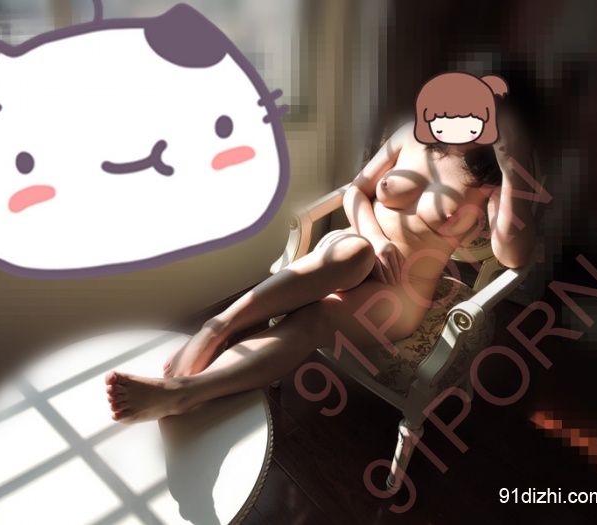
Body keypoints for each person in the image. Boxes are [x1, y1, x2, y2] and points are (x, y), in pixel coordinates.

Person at [105, 93, 535, 424]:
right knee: (355, 251)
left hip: (401, 293)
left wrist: (512, 169)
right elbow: (356, 191)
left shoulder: (493, 185)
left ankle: (183, 394)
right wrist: (376, 238)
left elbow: (512, 254)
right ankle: (217, 328)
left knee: (316, 319)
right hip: (353, 251)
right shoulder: (412, 134)